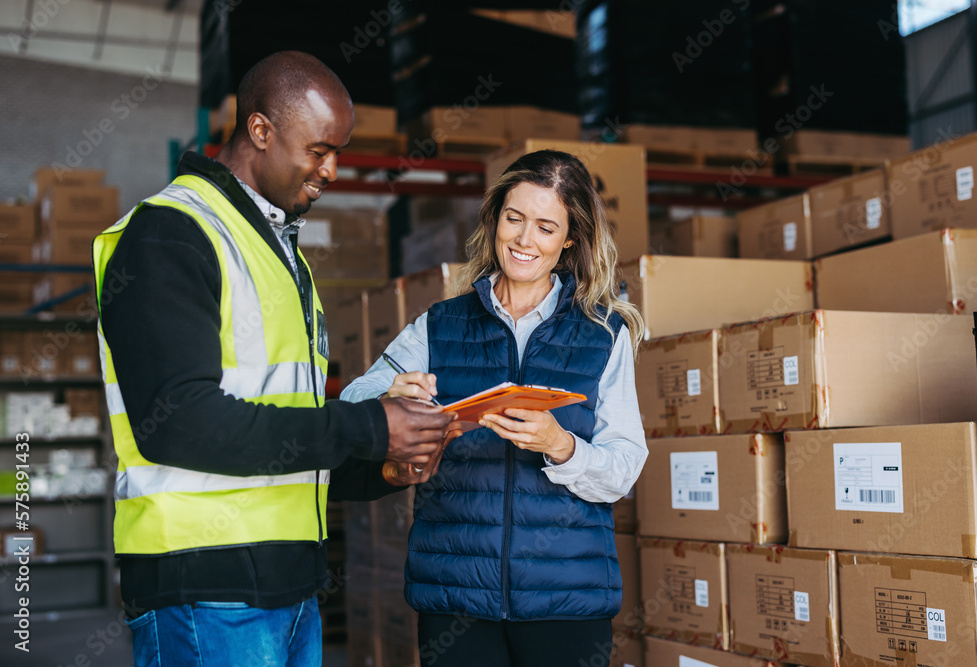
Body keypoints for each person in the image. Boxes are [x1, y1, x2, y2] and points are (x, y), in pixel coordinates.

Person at [93, 51, 455, 667]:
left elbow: (284, 437)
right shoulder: (170, 234)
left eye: (338, 151)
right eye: (319, 150)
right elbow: (180, 423)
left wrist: (383, 464)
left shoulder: (281, 254)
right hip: (205, 592)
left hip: (287, 588)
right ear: (260, 131)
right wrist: (370, 425)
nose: (332, 170)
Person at [341, 149, 648, 667]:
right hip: (456, 597)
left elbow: (623, 469)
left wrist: (562, 446)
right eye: (514, 219)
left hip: (566, 600)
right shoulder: (439, 326)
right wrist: (394, 398)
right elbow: (353, 401)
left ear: (570, 237)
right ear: (494, 220)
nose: (525, 240)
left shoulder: (602, 335)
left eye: (546, 227)